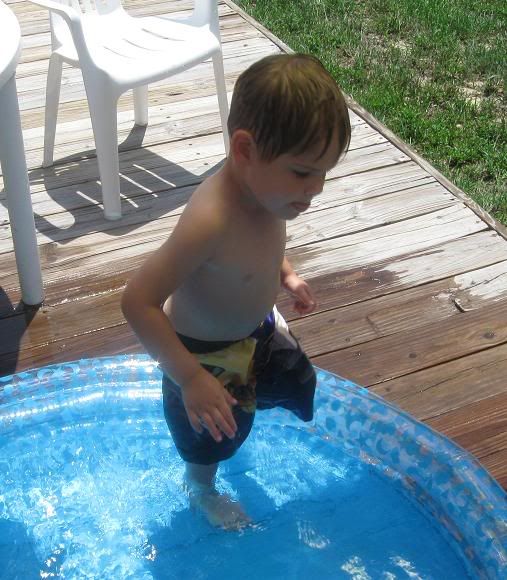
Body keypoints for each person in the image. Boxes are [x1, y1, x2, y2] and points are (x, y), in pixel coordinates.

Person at [121, 53, 351, 530]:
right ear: (244, 149)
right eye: (305, 172)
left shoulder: (267, 193)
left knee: (295, 386)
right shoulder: (212, 219)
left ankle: (247, 408)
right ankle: (201, 488)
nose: (317, 188)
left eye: (325, 172)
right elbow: (137, 301)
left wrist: (284, 274)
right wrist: (190, 379)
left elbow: (264, 246)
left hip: (259, 330)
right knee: (210, 438)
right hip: (205, 355)